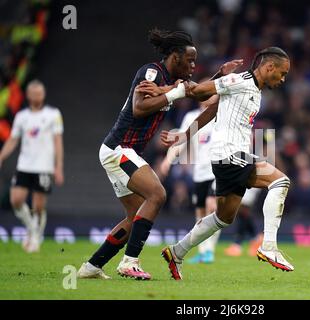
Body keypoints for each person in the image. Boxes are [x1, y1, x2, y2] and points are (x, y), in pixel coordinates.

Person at [77, 29, 242, 280]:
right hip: (119, 148)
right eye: (190, 59)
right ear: (175, 57)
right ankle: (129, 262)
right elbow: (140, 107)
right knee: (157, 194)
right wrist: (174, 91)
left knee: (134, 217)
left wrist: (219, 75)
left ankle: (92, 266)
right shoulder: (151, 72)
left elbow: (199, 93)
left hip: (122, 151)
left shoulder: (169, 80)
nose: (193, 65)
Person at [160, 47, 294, 280]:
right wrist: (167, 93)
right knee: (281, 182)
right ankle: (269, 246)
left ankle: (176, 252)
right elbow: (200, 93)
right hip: (231, 155)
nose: (282, 79)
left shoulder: (254, 90)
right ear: (269, 66)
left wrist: (185, 136)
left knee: (224, 217)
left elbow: (212, 109)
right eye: (282, 73)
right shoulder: (238, 80)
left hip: (225, 157)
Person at [0, 80, 64, 253]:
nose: (37, 96)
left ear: (43, 95)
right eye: (34, 93)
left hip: (44, 167)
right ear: (28, 96)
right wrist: (1, 156)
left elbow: (58, 141)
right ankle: (32, 229)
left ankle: (35, 237)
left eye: (40, 93)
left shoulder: (53, 114)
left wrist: (58, 166)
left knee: (38, 206)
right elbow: (13, 139)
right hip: (24, 165)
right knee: (16, 200)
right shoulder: (22, 117)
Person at [159, 93, 220, 264]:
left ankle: (209, 251)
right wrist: (167, 160)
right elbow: (180, 140)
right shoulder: (191, 117)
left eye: (213, 93)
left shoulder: (221, 116)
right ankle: (203, 251)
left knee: (212, 206)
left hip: (218, 170)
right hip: (199, 171)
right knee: (200, 212)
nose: (209, 96)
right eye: (206, 93)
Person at [224, 188, 263, 257]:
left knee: (242, 208)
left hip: (251, 182)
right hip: (243, 181)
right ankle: (256, 239)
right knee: (240, 210)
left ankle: (238, 244)